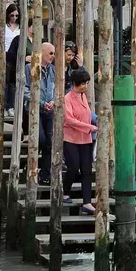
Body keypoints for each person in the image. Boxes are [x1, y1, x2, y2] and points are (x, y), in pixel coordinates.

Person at [62, 67, 98, 210]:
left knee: (87, 170)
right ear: (75, 83)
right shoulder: (67, 98)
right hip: (71, 138)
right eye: (82, 83)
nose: (85, 86)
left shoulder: (84, 96)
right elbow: (69, 120)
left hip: (86, 138)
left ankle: (87, 202)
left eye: (86, 83)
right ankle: (65, 192)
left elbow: (87, 114)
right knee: (73, 167)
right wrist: (89, 127)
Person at [31, 42, 57, 184]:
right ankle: (33, 165)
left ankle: (45, 173)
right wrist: (41, 103)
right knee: (40, 139)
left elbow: (57, 89)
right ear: (42, 52)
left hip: (50, 110)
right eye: (50, 53)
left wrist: (53, 102)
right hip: (35, 110)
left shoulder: (54, 71)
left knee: (50, 142)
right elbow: (26, 90)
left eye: (54, 53)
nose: (53, 56)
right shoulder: (31, 68)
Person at [2, 4, 21, 114]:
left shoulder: (20, 27)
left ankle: (12, 106)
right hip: (5, 55)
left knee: (14, 82)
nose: (14, 18)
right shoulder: (3, 26)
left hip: (18, 56)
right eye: (12, 15)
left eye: (16, 15)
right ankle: (5, 105)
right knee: (5, 81)